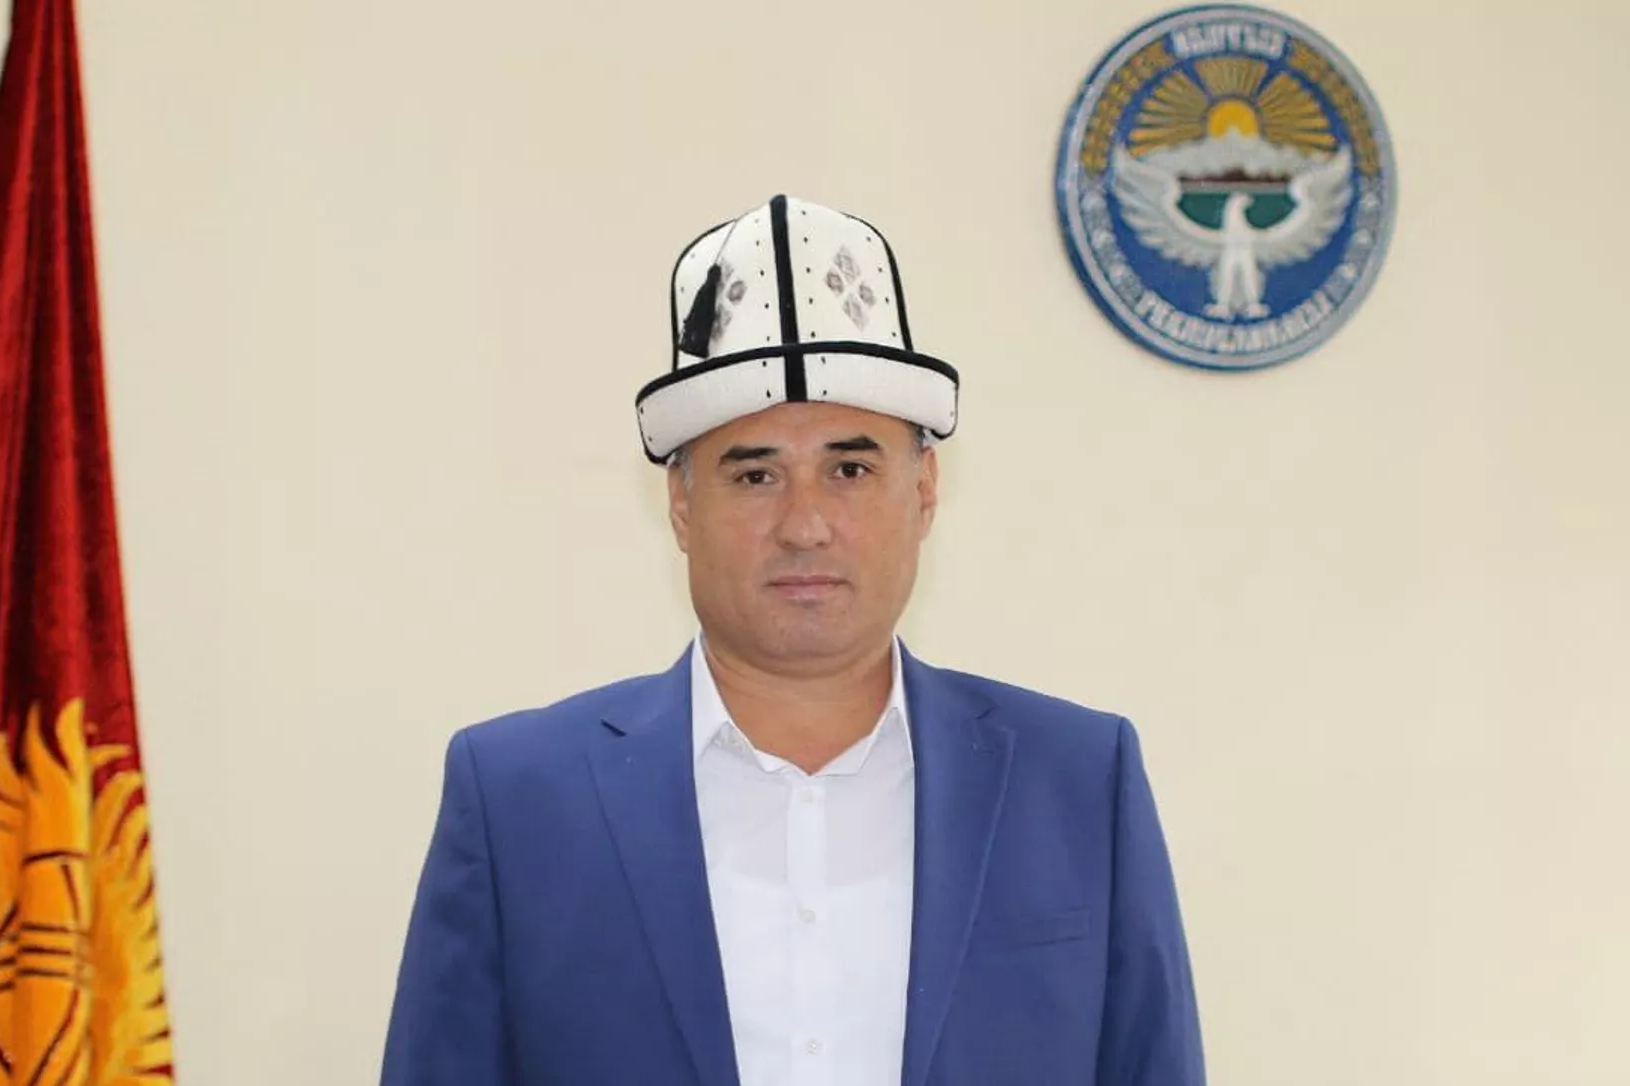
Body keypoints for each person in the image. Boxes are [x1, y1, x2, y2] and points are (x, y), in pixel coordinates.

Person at [378, 195, 1206, 1086]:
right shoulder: (518, 799)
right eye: (755, 476)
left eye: (850, 469)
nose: (805, 525)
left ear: (924, 489)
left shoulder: (1077, 779)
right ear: (682, 503)